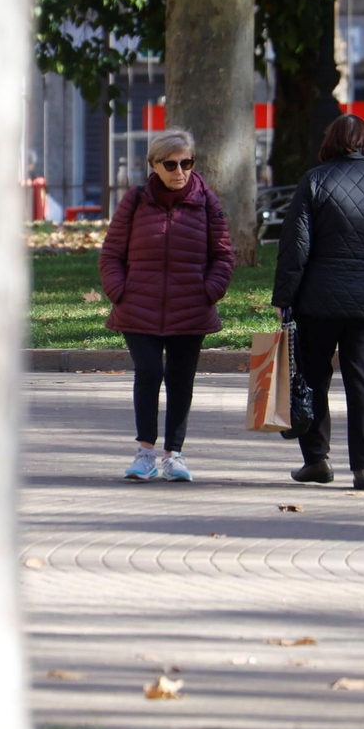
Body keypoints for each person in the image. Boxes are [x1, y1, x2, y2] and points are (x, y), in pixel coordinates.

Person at [271, 114, 364, 490]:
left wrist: (285, 298)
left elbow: (296, 247)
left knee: (312, 379)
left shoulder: (315, 181)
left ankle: (317, 460)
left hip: (317, 300)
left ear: (330, 142)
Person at [98, 129, 236, 482]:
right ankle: (145, 453)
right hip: (138, 306)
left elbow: (223, 254)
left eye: (187, 163)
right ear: (154, 165)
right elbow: (112, 252)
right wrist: (118, 290)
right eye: (171, 164)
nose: (180, 171)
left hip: (190, 307)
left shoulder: (206, 201)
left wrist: (210, 290)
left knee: (180, 379)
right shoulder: (136, 199)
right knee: (149, 373)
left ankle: (174, 454)